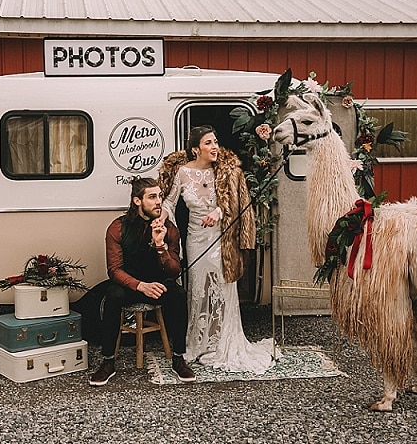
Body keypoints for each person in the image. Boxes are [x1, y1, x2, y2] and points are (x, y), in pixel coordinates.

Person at [157, 125, 276, 374]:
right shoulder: (182, 173)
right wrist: (161, 218)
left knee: (222, 288)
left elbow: (235, 202)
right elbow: (169, 201)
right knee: (199, 289)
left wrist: (218, 211)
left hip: (222, 238)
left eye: (216, 141)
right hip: (196, 238)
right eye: (209, 143)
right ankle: (199, 343)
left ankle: (222, 342)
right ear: (195, 149)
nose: (215, 147)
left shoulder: (223, 172)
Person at [88, 177, 196, 386]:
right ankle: (108, 361)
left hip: (159, 283)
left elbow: (174, 271)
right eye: (152, 197)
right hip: (130, 285)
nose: (159, 202)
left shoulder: (169, 228)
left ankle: (178, 358)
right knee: (112, 295)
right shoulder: (117, 227)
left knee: (178, 294)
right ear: (137, 201)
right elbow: (114, 270)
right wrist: (140, 286)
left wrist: (160, 246)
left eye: (160, 196)